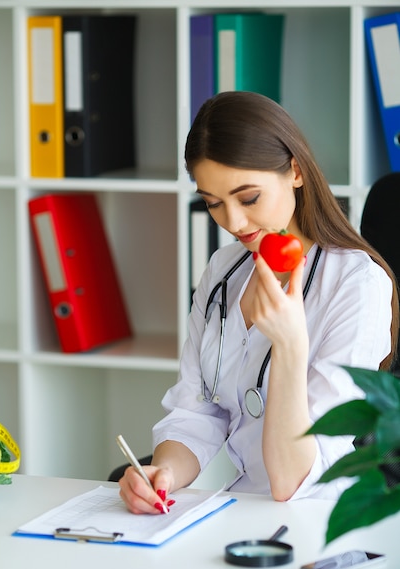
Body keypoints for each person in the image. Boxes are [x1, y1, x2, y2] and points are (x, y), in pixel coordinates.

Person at [119, 91, 399, 514]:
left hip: (317, 514)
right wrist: (164, 475)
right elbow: (197, 413)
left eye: (248, 198)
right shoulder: (224, 271)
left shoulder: (358, 285)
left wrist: (289, 345)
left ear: (296, 172)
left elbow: (293, 481)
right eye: (213, 203)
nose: (233, 222)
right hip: (242, 511)